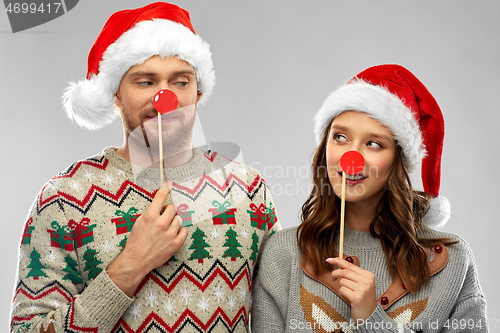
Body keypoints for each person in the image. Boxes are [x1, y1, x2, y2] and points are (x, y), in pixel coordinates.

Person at [10, 3, 280, 332]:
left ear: (198, 91)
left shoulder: (248, 190)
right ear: (116, 94)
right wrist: (131, 264)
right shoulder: (64, 198)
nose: (163, 98)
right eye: (145, 82)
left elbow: (276, 316)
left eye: (179, 82)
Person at [251, 64, 487, 332]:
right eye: (340, 137)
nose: (351, 158)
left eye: (374, 144)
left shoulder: (452, 261)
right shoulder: (283, 254)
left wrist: (371, 317)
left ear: (397, 160)